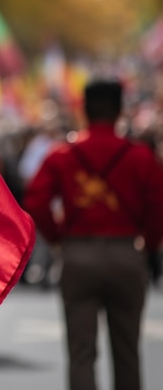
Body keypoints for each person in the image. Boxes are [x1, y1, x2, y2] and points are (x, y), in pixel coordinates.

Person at [24, 79, 163, 390]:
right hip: (127, 251)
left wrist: (58, 237)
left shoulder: (62, 155)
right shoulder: (140, 157)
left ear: (84, 110)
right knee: (127, 351)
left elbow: (35, 200)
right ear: (119, 112)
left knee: (81, 353)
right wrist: (150, 244)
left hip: (78, 253)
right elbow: (158, 205)